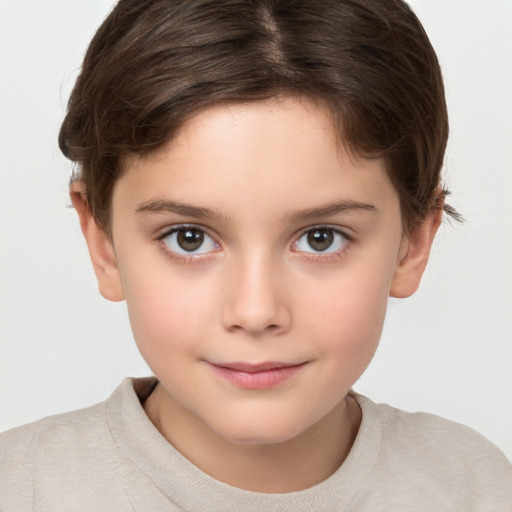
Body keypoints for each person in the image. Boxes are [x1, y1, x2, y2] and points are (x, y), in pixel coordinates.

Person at [1, 0, 511, 510]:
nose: (255, 311)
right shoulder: (20, 488)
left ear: (414, 242)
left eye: (321, 238)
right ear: (102, 242)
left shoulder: (476, 488)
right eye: (189, 238)